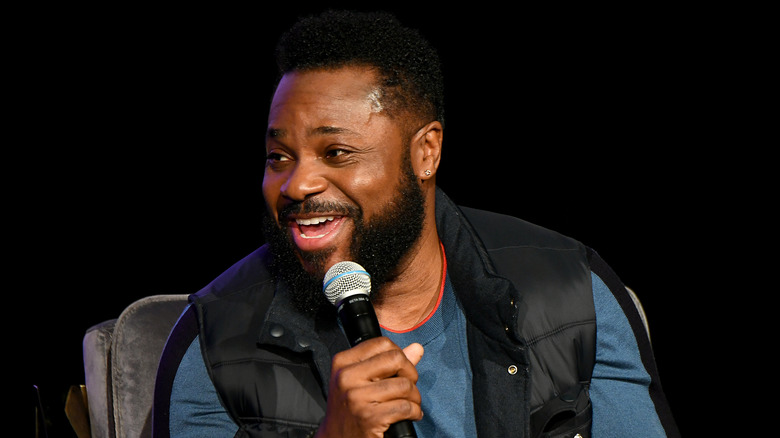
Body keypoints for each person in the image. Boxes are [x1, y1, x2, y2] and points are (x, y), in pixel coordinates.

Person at [152, 10, 679, 438]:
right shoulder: (218, 338)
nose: (296, 185)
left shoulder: (571, 294)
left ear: (425, 152)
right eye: (278, 157)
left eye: (336, 152)